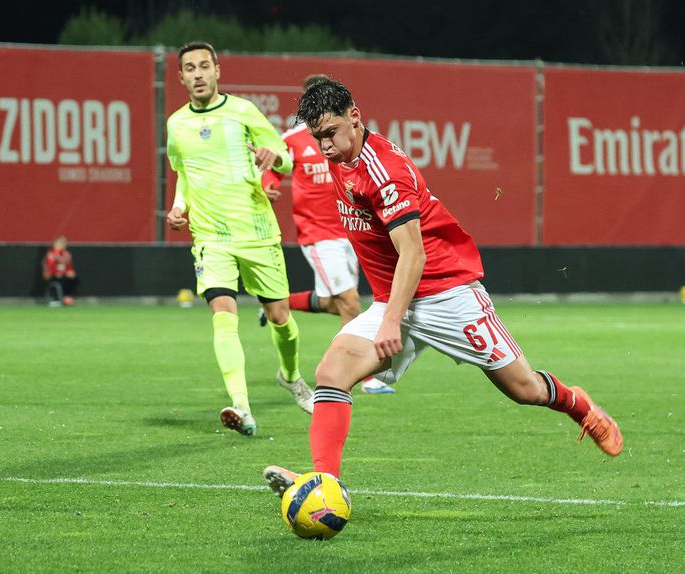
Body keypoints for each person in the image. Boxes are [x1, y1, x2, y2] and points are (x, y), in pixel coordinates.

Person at [263, 78, 622, 493]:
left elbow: (413, 254)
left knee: (525, 389)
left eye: (330, 133)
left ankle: (579, 405)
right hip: (396, 296)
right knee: (332, 371)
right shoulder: (341, 156)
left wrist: (391, 322)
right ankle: (325, 483)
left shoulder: (384, 173)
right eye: (317, 137)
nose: (325, 146)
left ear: (355, 117)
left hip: (446, 293)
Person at [166, 41, 314, 436]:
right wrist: (179, 207)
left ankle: (291, 376)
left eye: (204, 66)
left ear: (217, 71)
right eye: (190, 68)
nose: (198, 74)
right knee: (223, 314)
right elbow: (184, 173)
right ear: (181, 77)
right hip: (210, 236)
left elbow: (286, 159)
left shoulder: (243, 111)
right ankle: (242, 406)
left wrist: (273, 157)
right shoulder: (176, 125)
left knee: (280, 317)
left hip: (256, 231)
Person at [261, 74, 395, 395]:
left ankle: (275, 304)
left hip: (350, 229)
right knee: (350, 301)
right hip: (318, 234)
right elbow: (275, 167)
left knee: (334, 302)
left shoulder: (347, 135)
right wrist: (269, 186)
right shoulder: (293, 139)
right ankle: (360, 374)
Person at [43, 236, 78, 307]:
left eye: (63, 243)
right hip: (53, 275)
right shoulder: (51, 254)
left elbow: (69, 266)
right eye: (59, 243)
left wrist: (70, 272)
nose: (61, 245)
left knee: (72, 279)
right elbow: (50, 267)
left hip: (64, 275)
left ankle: (67, 297)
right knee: (58, 280)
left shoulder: (67, 254)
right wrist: (62, 272)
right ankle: (55, 299)